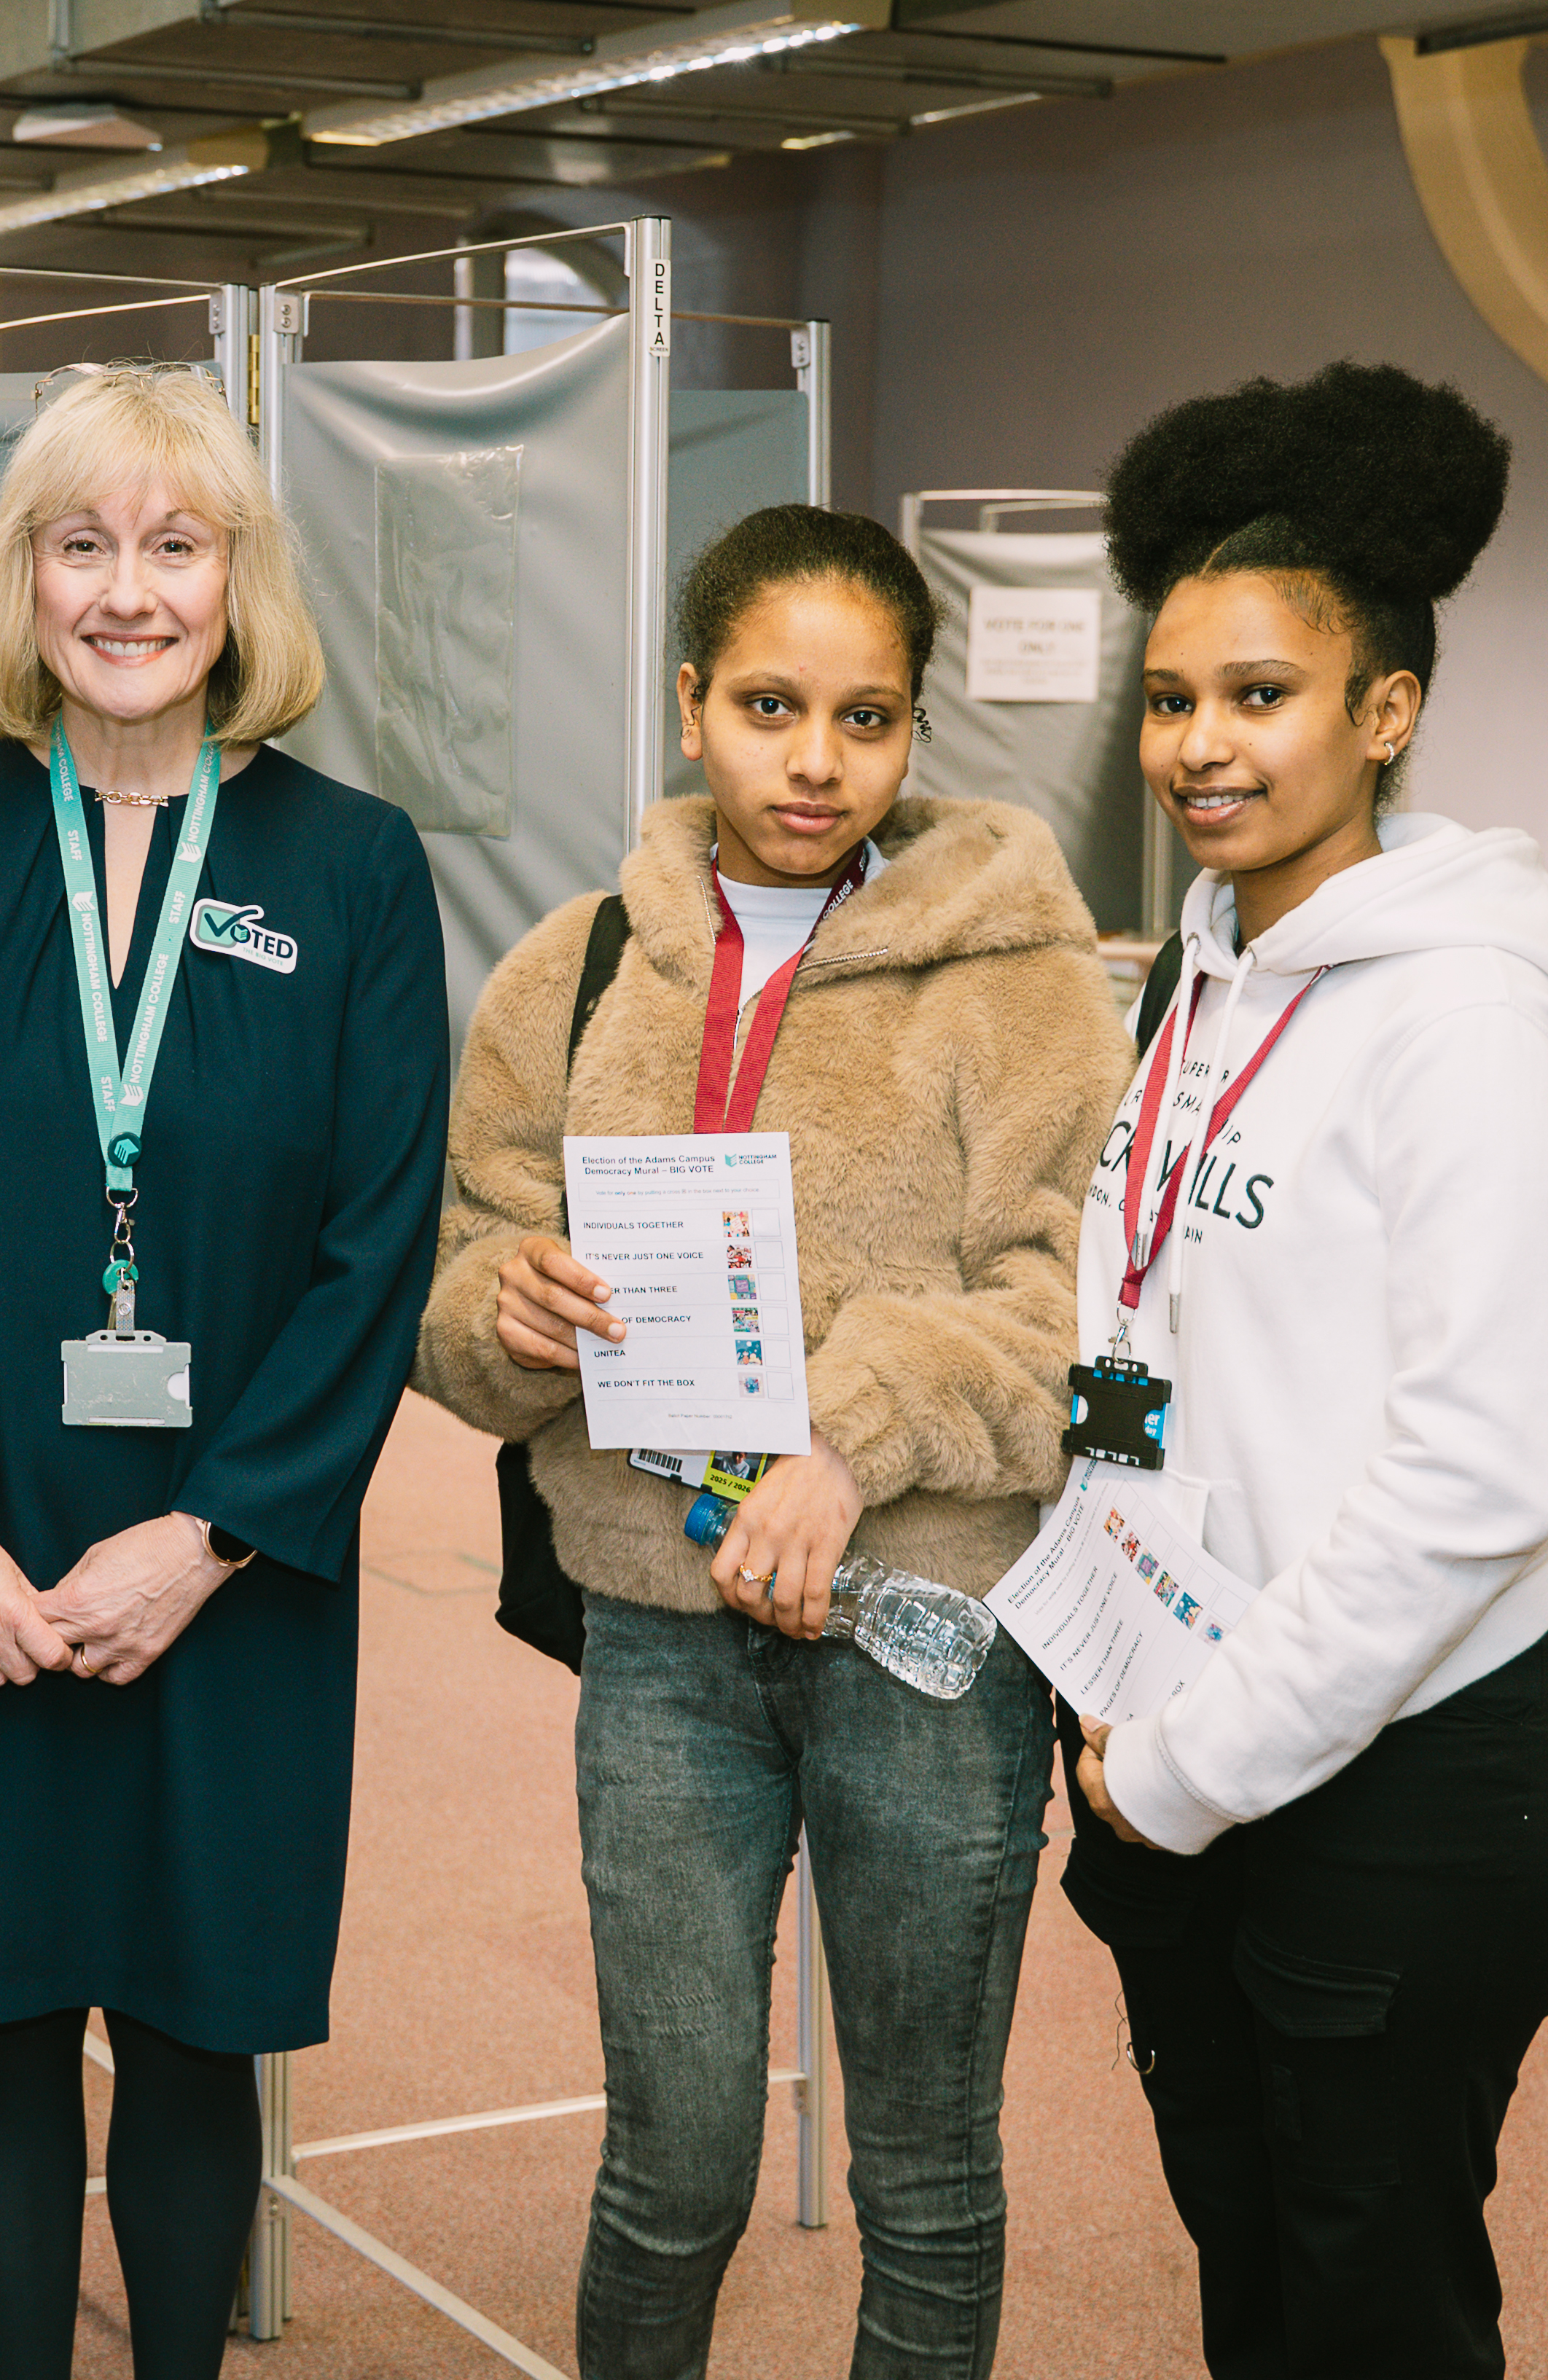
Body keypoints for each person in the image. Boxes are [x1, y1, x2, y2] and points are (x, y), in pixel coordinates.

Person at [413, 505, 1133, 2379]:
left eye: (865, 718)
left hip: (924, 1632)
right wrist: (498, 1308)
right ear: (686, 704)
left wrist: (849, 1435)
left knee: (921, 2168)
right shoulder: (575, 967)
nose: (812, 761)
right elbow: (460, 1253)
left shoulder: (1016, 976)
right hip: (656, 1631)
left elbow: (1069, 1306)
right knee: (673, 2158)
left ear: (912, 729)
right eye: (765, 705)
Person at [0, 364, 450, 2380]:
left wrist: (214, 1537)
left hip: (229, 1571)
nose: (126, 590)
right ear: (23, 576)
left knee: (200, 2014)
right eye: (79, 543)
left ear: (236, 579)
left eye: (173, 545)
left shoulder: (351, 864)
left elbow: (377, 1244)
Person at [1062, 363, 1548, 2379]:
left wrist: (1190, 1765)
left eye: (1259, 693)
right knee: (1254, 2268)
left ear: (1381, 712)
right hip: (1201, 1723)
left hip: (1416, 1759)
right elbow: (1158, 1337)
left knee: (1372, 2292)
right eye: (1169, 696)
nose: (1199, 745)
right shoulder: (1199, 965)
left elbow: (1480, 1475)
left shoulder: (1468, 1014)